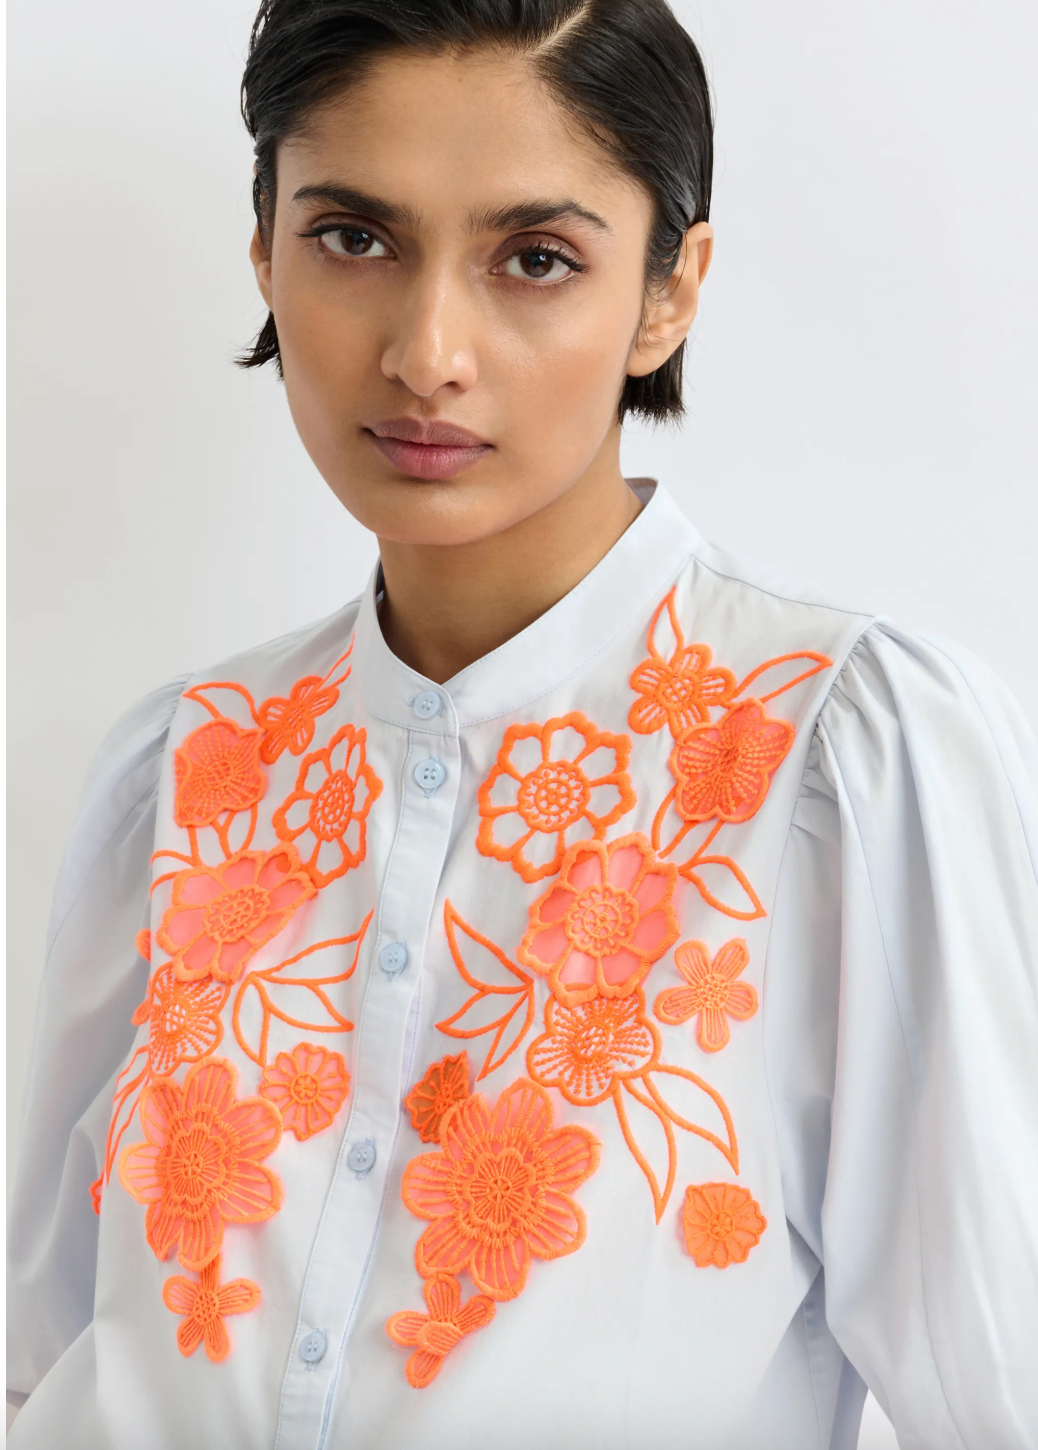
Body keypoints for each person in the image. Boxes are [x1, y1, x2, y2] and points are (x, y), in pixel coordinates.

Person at [7, 1, 1037, 1446]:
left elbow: (998, 1385)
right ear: (263, 246)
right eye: (352, 237)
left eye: (535, 259)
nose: (427, 352)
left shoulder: (836, 757)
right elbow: (45, 1358)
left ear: (669, 290)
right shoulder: (182, 768)